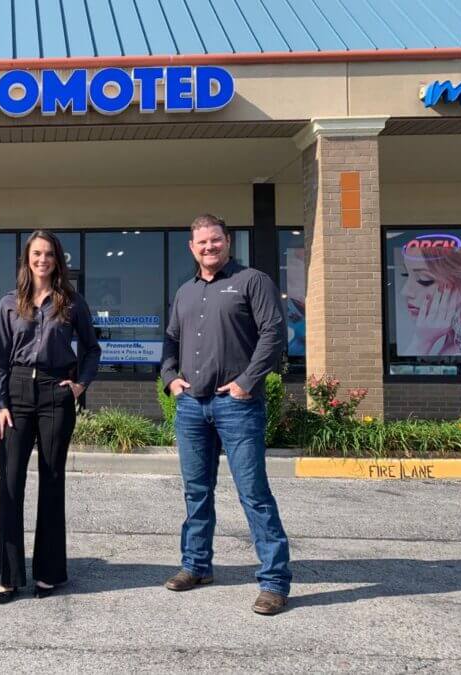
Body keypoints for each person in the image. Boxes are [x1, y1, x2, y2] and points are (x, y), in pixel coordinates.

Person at [160, 214, 291, 616]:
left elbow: (274, 332)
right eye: (201, 242)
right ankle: (197, 565)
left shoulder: (253, 281)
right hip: (192, 406)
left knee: (253, 493)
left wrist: (247, 381)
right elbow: (170, 340)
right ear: (191, 247)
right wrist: (169, 378)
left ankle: (274, 581)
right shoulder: (184, 292)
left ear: (227, 241)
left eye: (215, 240)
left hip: (238, 405)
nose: (209, 247)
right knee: (195, 492)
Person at [0, 230, 101, 603]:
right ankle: (8, 575)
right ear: (27, 259)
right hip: (18, 395)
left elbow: (92, 348)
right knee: (11, 484)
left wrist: (80, 385)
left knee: (52, 483)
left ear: (57, 260)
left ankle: (49, 572)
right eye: (36, 254)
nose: (42, 260)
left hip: (56, 392)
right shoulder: (9, 303)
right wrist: (0, 404)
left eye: (49, 254)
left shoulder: (71, 302)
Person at [398, 244, 461, 356]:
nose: (405, 291)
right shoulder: (451, 342)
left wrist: (421, 343)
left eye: (424, 280)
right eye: (407, 275)